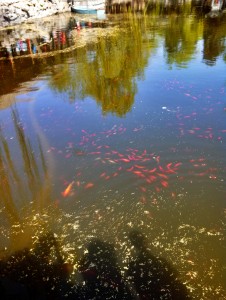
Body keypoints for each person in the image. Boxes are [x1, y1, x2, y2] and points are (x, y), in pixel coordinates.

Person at [126, 230, 190, 300]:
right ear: (144, 240)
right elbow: (175, 280)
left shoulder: (133, 268)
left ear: (133, 244)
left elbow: (140, 291)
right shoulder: (160, 262)